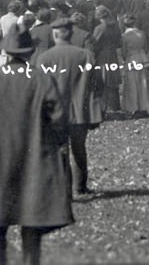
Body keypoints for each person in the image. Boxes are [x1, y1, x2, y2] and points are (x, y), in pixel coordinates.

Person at [0, 24, 73, 265]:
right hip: (34, 157)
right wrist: (51, 144)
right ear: (29, 52)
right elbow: (59, 119)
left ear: (6, 52)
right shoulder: (41, 78)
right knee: (31, 222)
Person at [37, 17, 104, 196]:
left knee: (60, 148)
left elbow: (39, 88)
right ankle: (80, 186)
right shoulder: (86, 55)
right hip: (81, 110)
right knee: (79, 148)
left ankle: (62, 189)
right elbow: (98, 83)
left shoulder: (44, 58)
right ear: (71, 33)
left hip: (55, 112)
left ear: (55, 34)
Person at [120, 14, 149, 117]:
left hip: (132, 58)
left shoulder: (124, 36)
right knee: (144, 83)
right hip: (143, 58)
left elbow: (124, 52)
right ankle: (144, 107)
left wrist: (125, 59)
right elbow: (145, 47)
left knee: (133, 84)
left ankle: (135, 107)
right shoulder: (142, 33)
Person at [91, 6, 123, 114]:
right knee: (113, 79)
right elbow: (119, 42)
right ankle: (115, 105)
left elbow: (94, 44)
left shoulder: (99, 28)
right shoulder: (115, 26)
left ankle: (105, 105)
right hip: (112, 54)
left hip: (103, 55)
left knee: (104, 78)